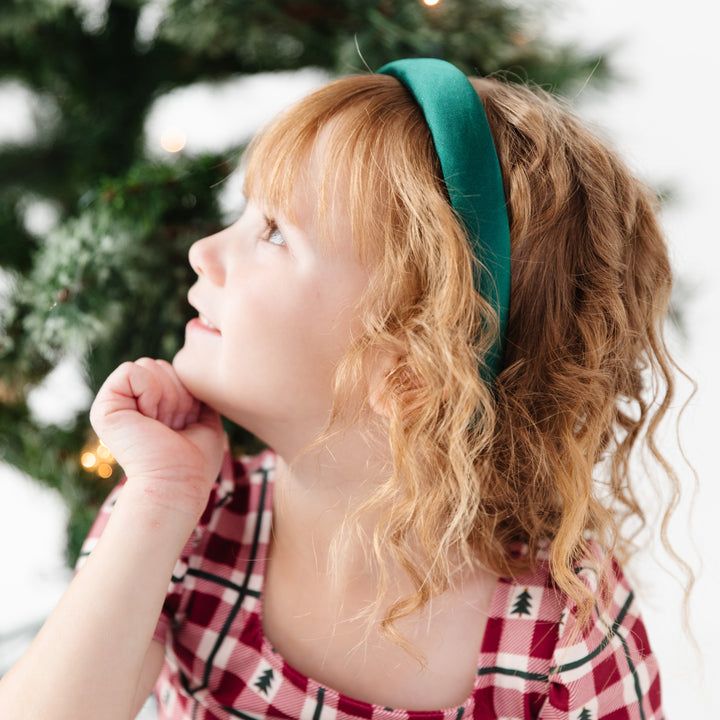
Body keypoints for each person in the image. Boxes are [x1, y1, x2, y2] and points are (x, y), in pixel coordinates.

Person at [0, 58, 683, 720]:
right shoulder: (192, 522)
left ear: (412, 369)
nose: (203, 252)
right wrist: (163, 496)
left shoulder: (562, 635)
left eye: (274, 233)